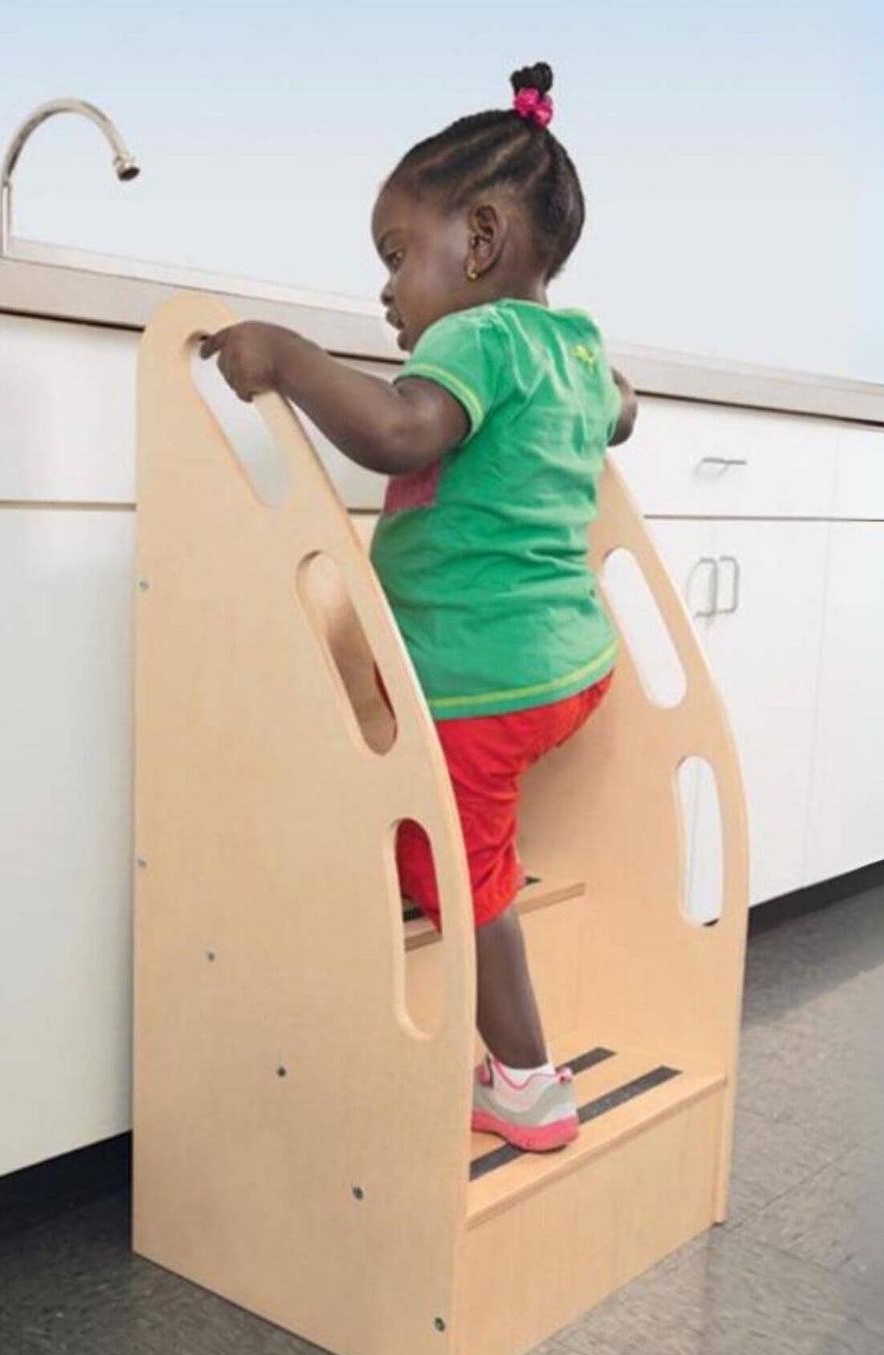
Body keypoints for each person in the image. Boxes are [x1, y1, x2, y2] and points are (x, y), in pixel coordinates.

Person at [201, 62, 637, 1151]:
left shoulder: (476, 339)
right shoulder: (573, 347)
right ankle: (480, 862)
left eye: (397, 257)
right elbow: (624, 413)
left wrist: (290, 359)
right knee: (465, 808)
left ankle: (527, 1081)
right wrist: (606, 398)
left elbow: (401, 433)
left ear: (480, 242)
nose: (387, 294)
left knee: (442, 857)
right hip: (571, 667)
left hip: (482, 684)